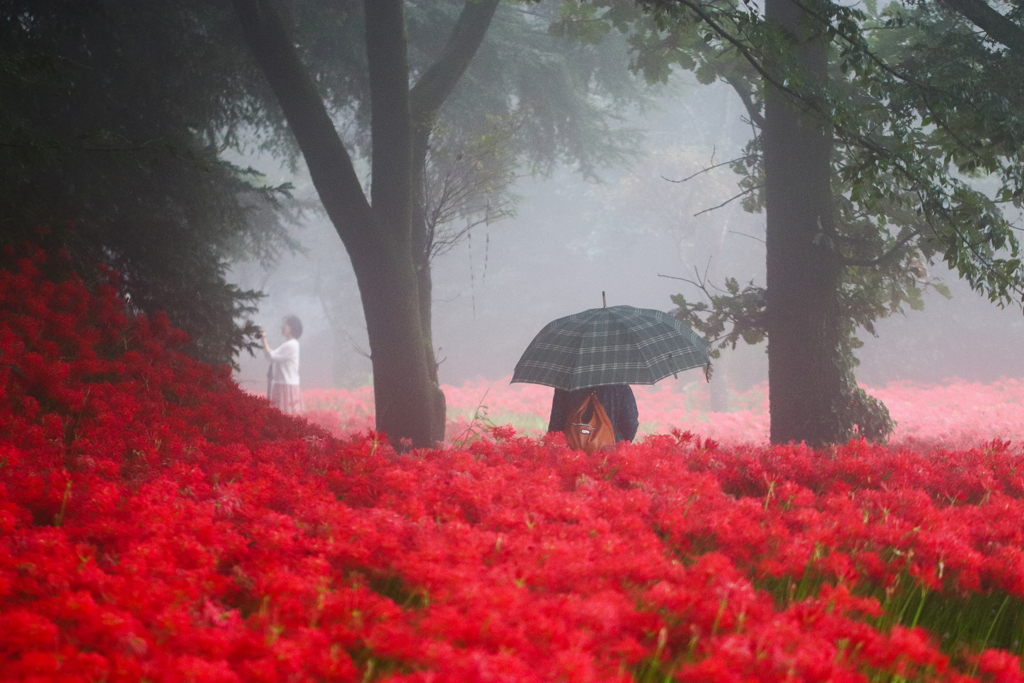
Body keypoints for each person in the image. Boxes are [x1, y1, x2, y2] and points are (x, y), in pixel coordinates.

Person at [548, 384, 639, 444]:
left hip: (571, 455)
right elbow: (631, 423)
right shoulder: (620, 385)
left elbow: (555, 425)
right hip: (608, 455)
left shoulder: (566, 383)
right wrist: (617, 442)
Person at [261, 315, 303, 414]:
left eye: (284, 325)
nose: (282, 327)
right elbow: (272, 355)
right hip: (284, 384)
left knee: (284, 415)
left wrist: (263, 339)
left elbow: (271, 356)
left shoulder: (291, 345)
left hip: (285, 386)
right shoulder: (290, 344)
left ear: (291, 328)